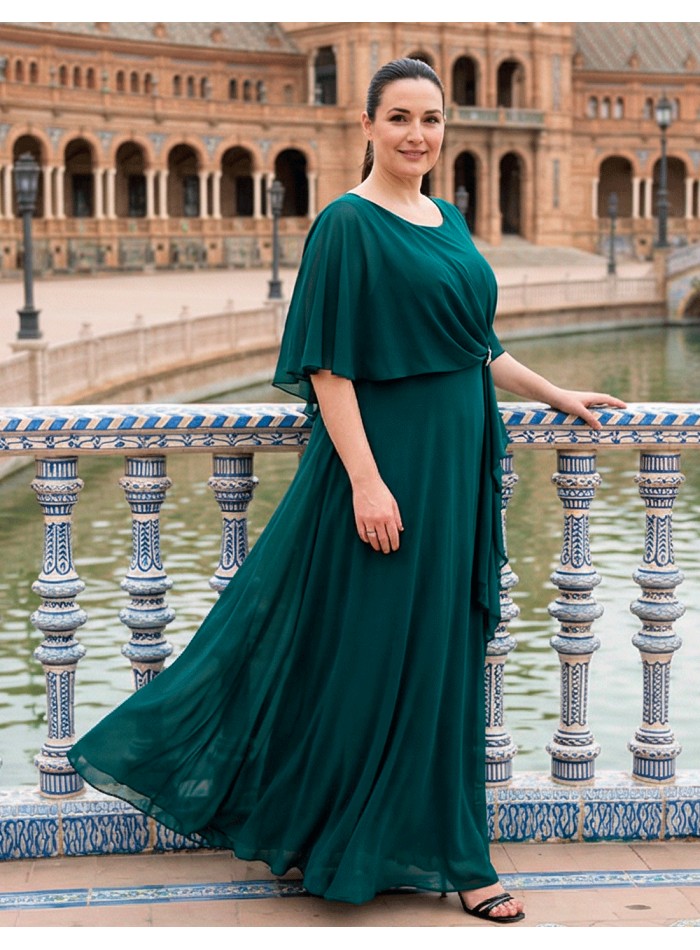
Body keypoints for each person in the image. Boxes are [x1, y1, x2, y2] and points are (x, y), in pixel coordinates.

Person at [68, 57, 626, 924]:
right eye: (400, 117)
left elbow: (474, 341)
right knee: (366, 653)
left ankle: (451, 849)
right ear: (365, 125)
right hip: (389, 468)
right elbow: (328, 366)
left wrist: (555, 394)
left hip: (456, 466)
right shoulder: (345, 226)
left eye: (432, 120)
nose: (418, 135)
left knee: (441, 661)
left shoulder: (447, 216)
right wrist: (368, 483)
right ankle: (341, 838)